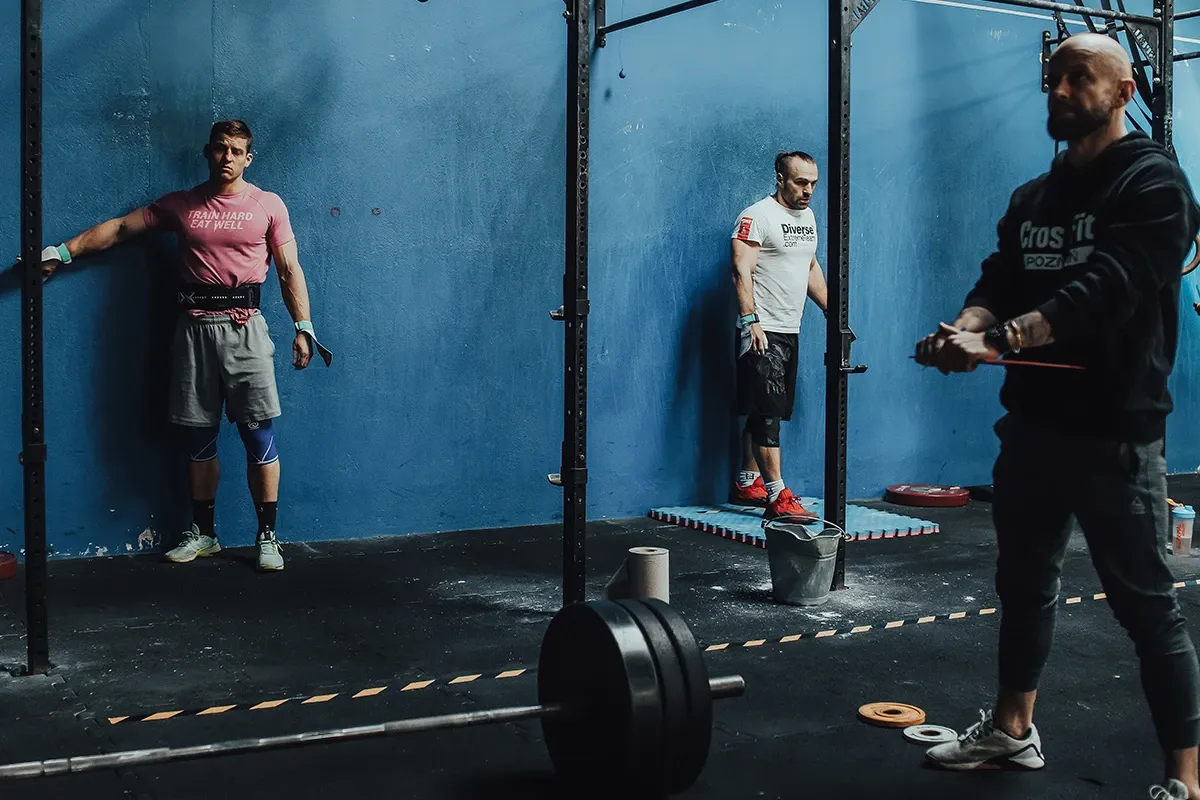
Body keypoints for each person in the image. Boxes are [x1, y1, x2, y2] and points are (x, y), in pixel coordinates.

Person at [914, 33, 1200, 800]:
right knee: (1025, 584)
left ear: (1123, 89)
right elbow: (999, 280)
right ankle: (1014, 731)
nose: (1062, 91)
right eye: (1053, 79)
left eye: (1082, 78)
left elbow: (1104, 290)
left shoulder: (1152, 184)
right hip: (1034, 429)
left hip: (1115, 435)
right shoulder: (1032, 199)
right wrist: (964, 327)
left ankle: (1185, 780)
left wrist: (998, 338)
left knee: (1147, 611)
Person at [34, 119, 331, 573]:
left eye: (236, 150)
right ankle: (205, 533)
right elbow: (118, 230)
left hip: (245, 329)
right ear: (207, 153)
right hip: (193, 330)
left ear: (248, 158)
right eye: (219, 149)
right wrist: (61, 252)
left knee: (257, 432)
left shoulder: (267, 204)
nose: (227, 157)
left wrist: (304, 325)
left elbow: (290, 268)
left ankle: (267, 536)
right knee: (198, 436)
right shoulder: (182, 204)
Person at [729, 151, 829, 521]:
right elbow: (741, 268)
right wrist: (749, 320)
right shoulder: (757, 216)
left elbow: (810, 265)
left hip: (790, 328)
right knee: (767, 413)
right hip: (762, 328)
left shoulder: (808, 217)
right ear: (780, 178)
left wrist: (833, 311)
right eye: (801, 182)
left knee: (764, 408)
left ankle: (747, 480)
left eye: (813, 184)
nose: (808, 191)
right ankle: (776, 495)